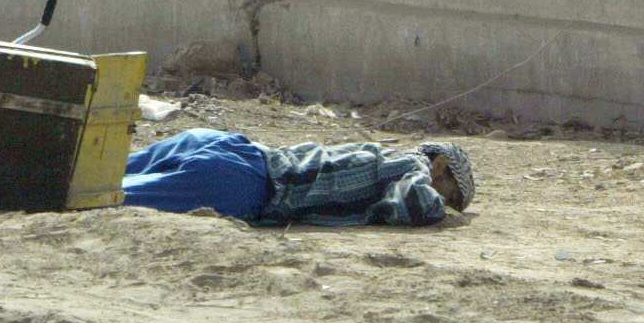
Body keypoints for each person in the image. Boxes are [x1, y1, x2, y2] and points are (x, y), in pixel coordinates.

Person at [122, 128, 475, 226]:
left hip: (228, 145)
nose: (448, 203)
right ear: (440, 164)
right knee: (100, 197)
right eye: (452, 194)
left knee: (90, 171)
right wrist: (447, 215)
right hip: (245, 184)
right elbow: (420, 204)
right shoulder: (413, 168)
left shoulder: (383, 154)